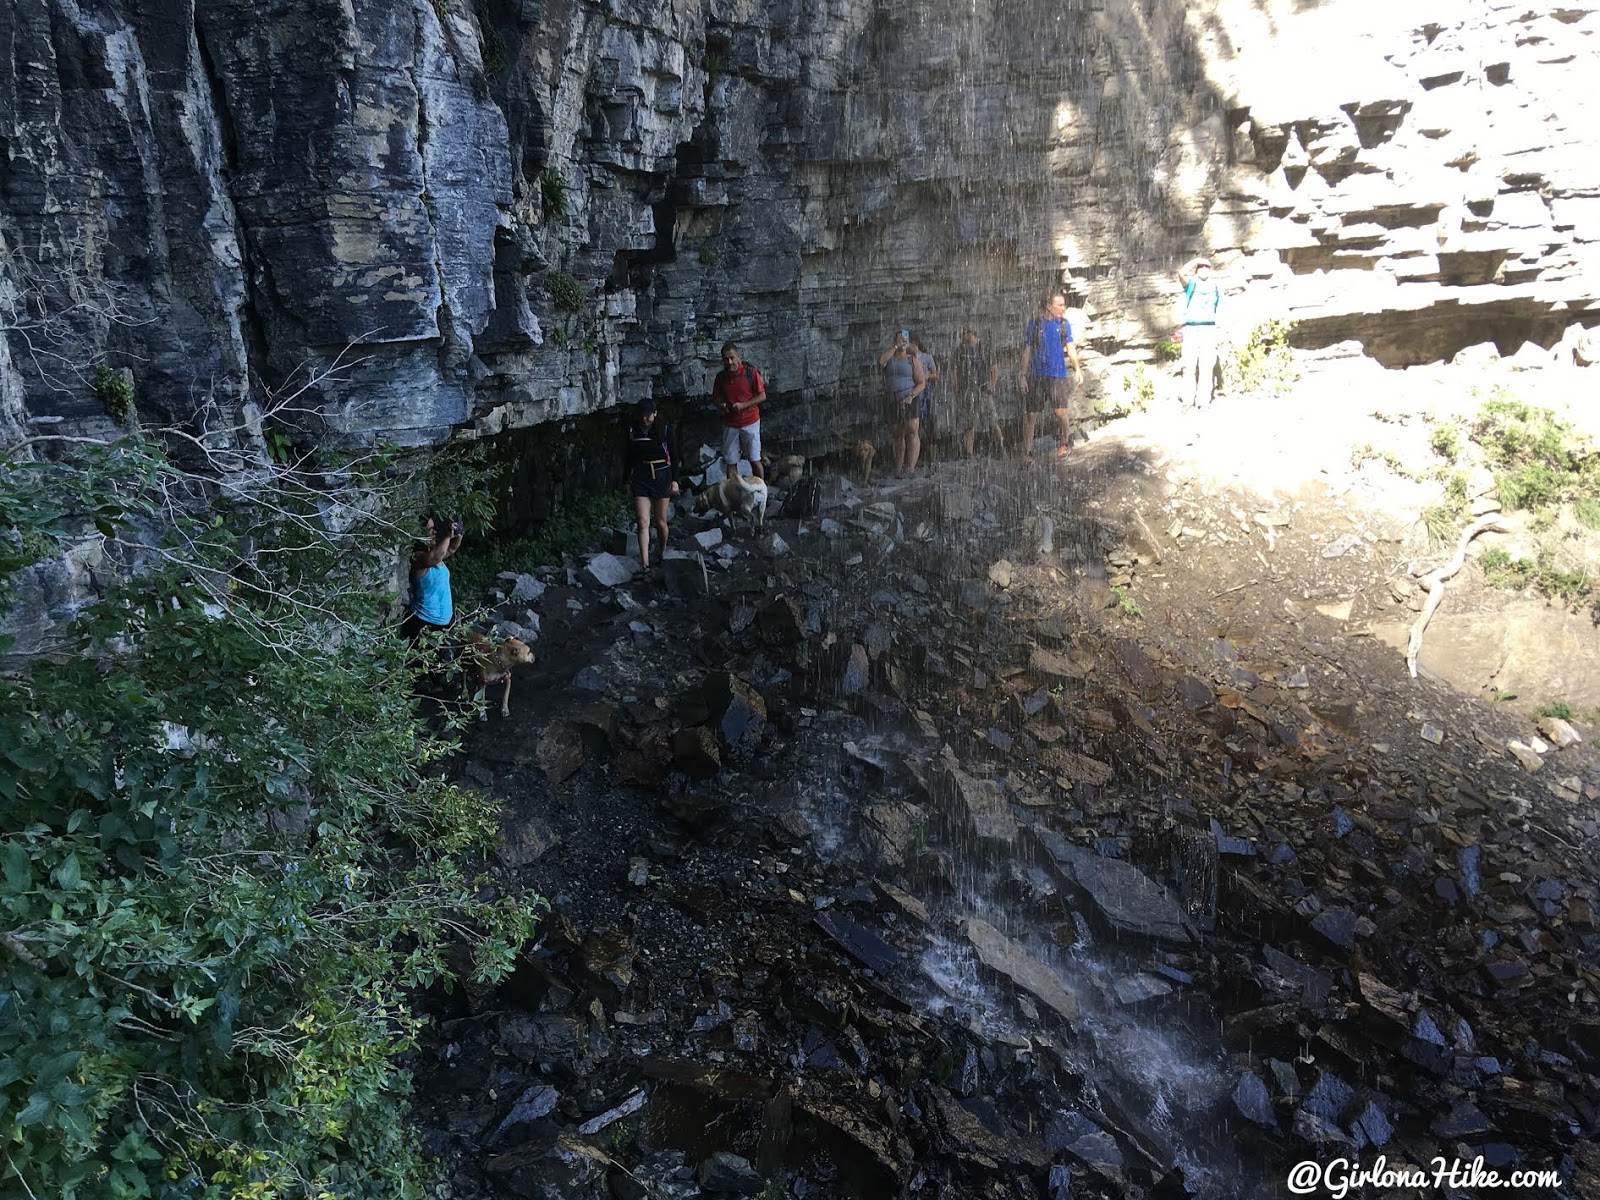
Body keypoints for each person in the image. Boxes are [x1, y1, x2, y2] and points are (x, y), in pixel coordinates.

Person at [1016, 291, 1081, 463]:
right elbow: (1027, 351)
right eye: (1059, 305)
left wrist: (1078, 369)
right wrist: (1022, 375)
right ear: (1048, 306)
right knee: (1031, 415)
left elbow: (1071, 348)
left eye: (1063, 304)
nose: (1063, 308)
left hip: (1057, 375)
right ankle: (1028, 452)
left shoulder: (1064, 325)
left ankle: (1064, 442)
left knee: (1060, 412)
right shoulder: (1035, 324)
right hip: (1036, 375)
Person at [625, 397, 678, 570]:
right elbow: (628, 457)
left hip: (662, 476)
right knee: (642, 521)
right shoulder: (633, 430)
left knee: (661, 521)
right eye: (642, 415)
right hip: (641, 476)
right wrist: (626, 480)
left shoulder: (664, 429)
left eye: (648, 415)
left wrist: (675, 480)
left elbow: (674, 456)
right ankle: (645, 563)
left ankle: (661, 550)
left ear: (655, 414)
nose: (645, 419)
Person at [711, 342, 766, 480]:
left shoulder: (750, 372)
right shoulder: (721, 377)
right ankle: (733, 495)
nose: (729, 362)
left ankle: (762, 490)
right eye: (726, 359)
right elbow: (715, 398)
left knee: (754, 459)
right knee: (731, 461)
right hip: (730, 423)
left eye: (732, 358)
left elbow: (762, 396)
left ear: (738, 357)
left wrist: (743, 405)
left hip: (750, 421)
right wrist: (721, 405)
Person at [403, 514, 461, 642]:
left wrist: (458, 533)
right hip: (423, 623)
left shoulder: (433, 556)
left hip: (441, 624)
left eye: (433, 528)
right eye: (429, 530)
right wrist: (447, 536)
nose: (434, 532)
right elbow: (436, 557)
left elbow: (451, 549)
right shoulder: (417, 557)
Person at [877, 329, 927, 476]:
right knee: (897, 434)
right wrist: (895, 347)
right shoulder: (890, 358)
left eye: (905, 340)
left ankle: (910, 468)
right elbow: (881, 361)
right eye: (900, 339)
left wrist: (911, 395)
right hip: (893, 399)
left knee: (912, 431)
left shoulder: (913, 359)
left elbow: (921, 382)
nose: (902, 342)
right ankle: (898, 467)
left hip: (910, 398)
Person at [1176, 256, 1223, 409]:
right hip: (1191, 329)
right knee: (1188, 366)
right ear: (1196, 270)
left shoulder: (1216, 287)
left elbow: (1220, 309)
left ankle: (1203, 401)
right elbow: (1181, 273)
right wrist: (1195, 261)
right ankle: (1187, 401)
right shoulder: (1191, 285)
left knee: (1206, 367)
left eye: (1206, 267)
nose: (1204, 269)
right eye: (1201, 267)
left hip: (1208, 329)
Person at [952, 328, 1003, 457]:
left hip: (984, 389)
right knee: (969, 424)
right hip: (967, 391)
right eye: (963, 335)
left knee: (992, 421)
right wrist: (957, 388)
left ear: (973, 334)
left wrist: (992, 385)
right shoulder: (960, 351)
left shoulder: (984, 349)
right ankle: (968, 453)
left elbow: (994, 369)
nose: (964, 337)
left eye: (966, 335)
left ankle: (1001, 447)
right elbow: (954, 371)